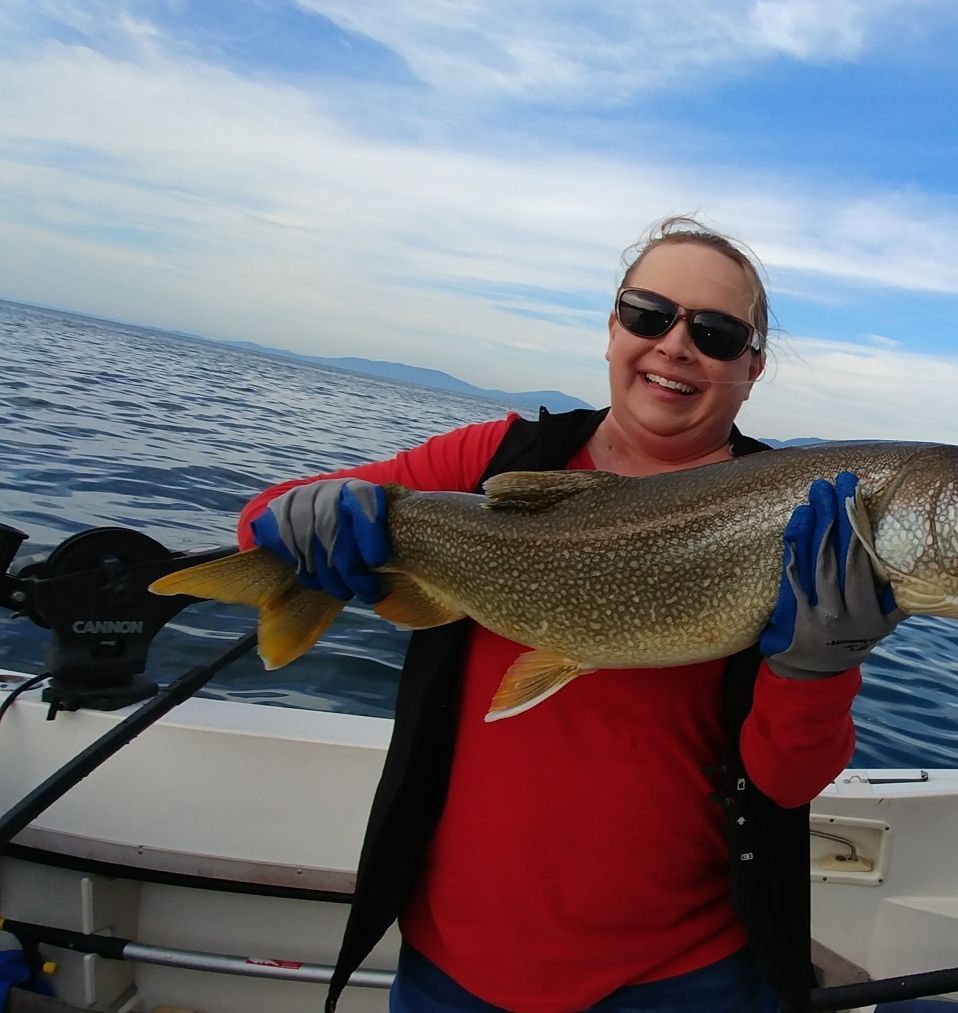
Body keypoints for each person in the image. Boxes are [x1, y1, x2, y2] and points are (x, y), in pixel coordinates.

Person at [235, 216, 903, 1012]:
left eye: (718, 333)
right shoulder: (496, 459)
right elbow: (260, 524)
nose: (676, 345)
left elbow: (785, 780)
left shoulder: (810, 520)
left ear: (753, 368)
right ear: (613, 326)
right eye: (650, 314)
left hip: (689, 974)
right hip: (453, 958)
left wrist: (818, 666)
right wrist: (306, 520)